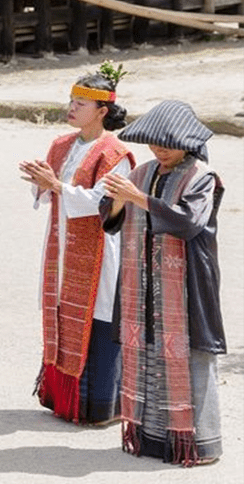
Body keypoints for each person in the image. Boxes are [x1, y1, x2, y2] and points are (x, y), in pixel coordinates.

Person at [101, 100, 225, 466]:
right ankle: (153, 439)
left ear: (187, 142)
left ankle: (199, 445)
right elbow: (109, 217)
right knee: (148, 353)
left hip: (188, 283)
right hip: (142, 281)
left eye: (166, 144)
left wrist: (136, 197)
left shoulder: (203, 178)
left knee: (191, 357)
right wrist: (121, 202)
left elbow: (188, 223)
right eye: (154, 144)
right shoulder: (141, 173)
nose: (159, 151)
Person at [20, 62, 134, 425]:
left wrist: (55, 186)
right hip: (61, 245)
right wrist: (40, 182)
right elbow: (48, 193)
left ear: (102, 111)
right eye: (71, 100)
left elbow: (102, 202)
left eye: (80, 103)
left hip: (99, 249)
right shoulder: (61, 144)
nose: (71, 108)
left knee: (98, 318)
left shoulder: (114, 154)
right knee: (60, 312)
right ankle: (60, 398)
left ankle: (100, 405)